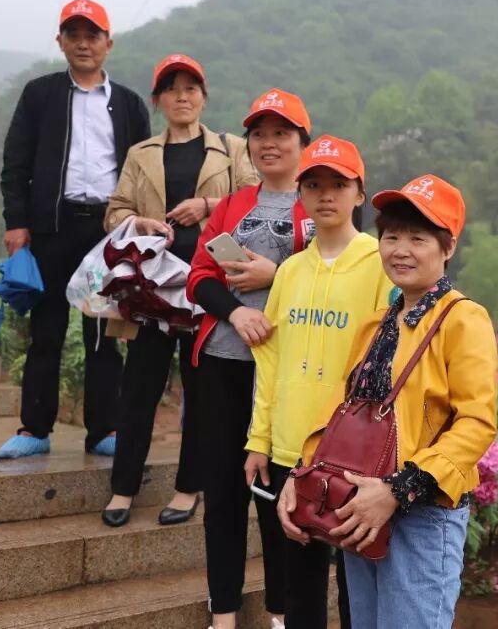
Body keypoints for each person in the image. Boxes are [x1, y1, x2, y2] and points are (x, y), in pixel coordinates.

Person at [276, 173, 497, 629]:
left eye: (418, 238)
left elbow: (476, 422)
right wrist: (302, 472)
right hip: (361, 508)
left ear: (448, 247)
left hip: (422, 514)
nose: (400, 250)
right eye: (392, 236)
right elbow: (340, 409)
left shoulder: (463, 319)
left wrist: (397, 490)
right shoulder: (376, 324)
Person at [99, 54, 256, 528]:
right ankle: (123, 488)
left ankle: (188, 488)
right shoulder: (141, 153)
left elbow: (254, 203)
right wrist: (138, 221)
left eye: (191, 88)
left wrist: (207, 205)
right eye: (171, 89)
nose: (182, 96)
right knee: (138, 389)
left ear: (204, 97)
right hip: (153, 292)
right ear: (158, 100)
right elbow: (114, 211)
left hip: (207, 287)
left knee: (201, 393)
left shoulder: (230, 149)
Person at [244, 136, 391, 629]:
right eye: (313, 185)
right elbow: (271, 363)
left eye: (338, 184)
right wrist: (259, 440)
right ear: (300, 194)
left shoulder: (380, 265)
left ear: (359, 193)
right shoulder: (289, 271)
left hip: (352, 456)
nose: (326, 194)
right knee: (299, 588)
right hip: (290, 449)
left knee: (356, 588)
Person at [0, 0, 151, 459]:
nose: (84, 44)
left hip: (106, 232)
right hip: (51, 227)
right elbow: (15, 162)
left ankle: (105, 429)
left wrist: (136, 231)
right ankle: (34, 429)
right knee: (46, 330)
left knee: (103, 332)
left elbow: (143, 172)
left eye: (92, 36)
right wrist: (17, 222)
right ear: (60, 41)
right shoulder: (40, 94)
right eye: (74, 35)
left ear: (108, 43)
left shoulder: (129, 104)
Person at [186, 88, 314, 629]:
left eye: (281, 133)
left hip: (285, 375)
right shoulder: (233, 205)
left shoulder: (319, 206)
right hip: (222, 363)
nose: (269, 143)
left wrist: (275, 275)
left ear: (303, 142)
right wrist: (236, 313)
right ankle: (224, 613)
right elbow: (199, 276)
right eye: (258, 134)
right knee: (221, 492)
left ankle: (280, 612)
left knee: (275, 494)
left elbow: (333, 284)